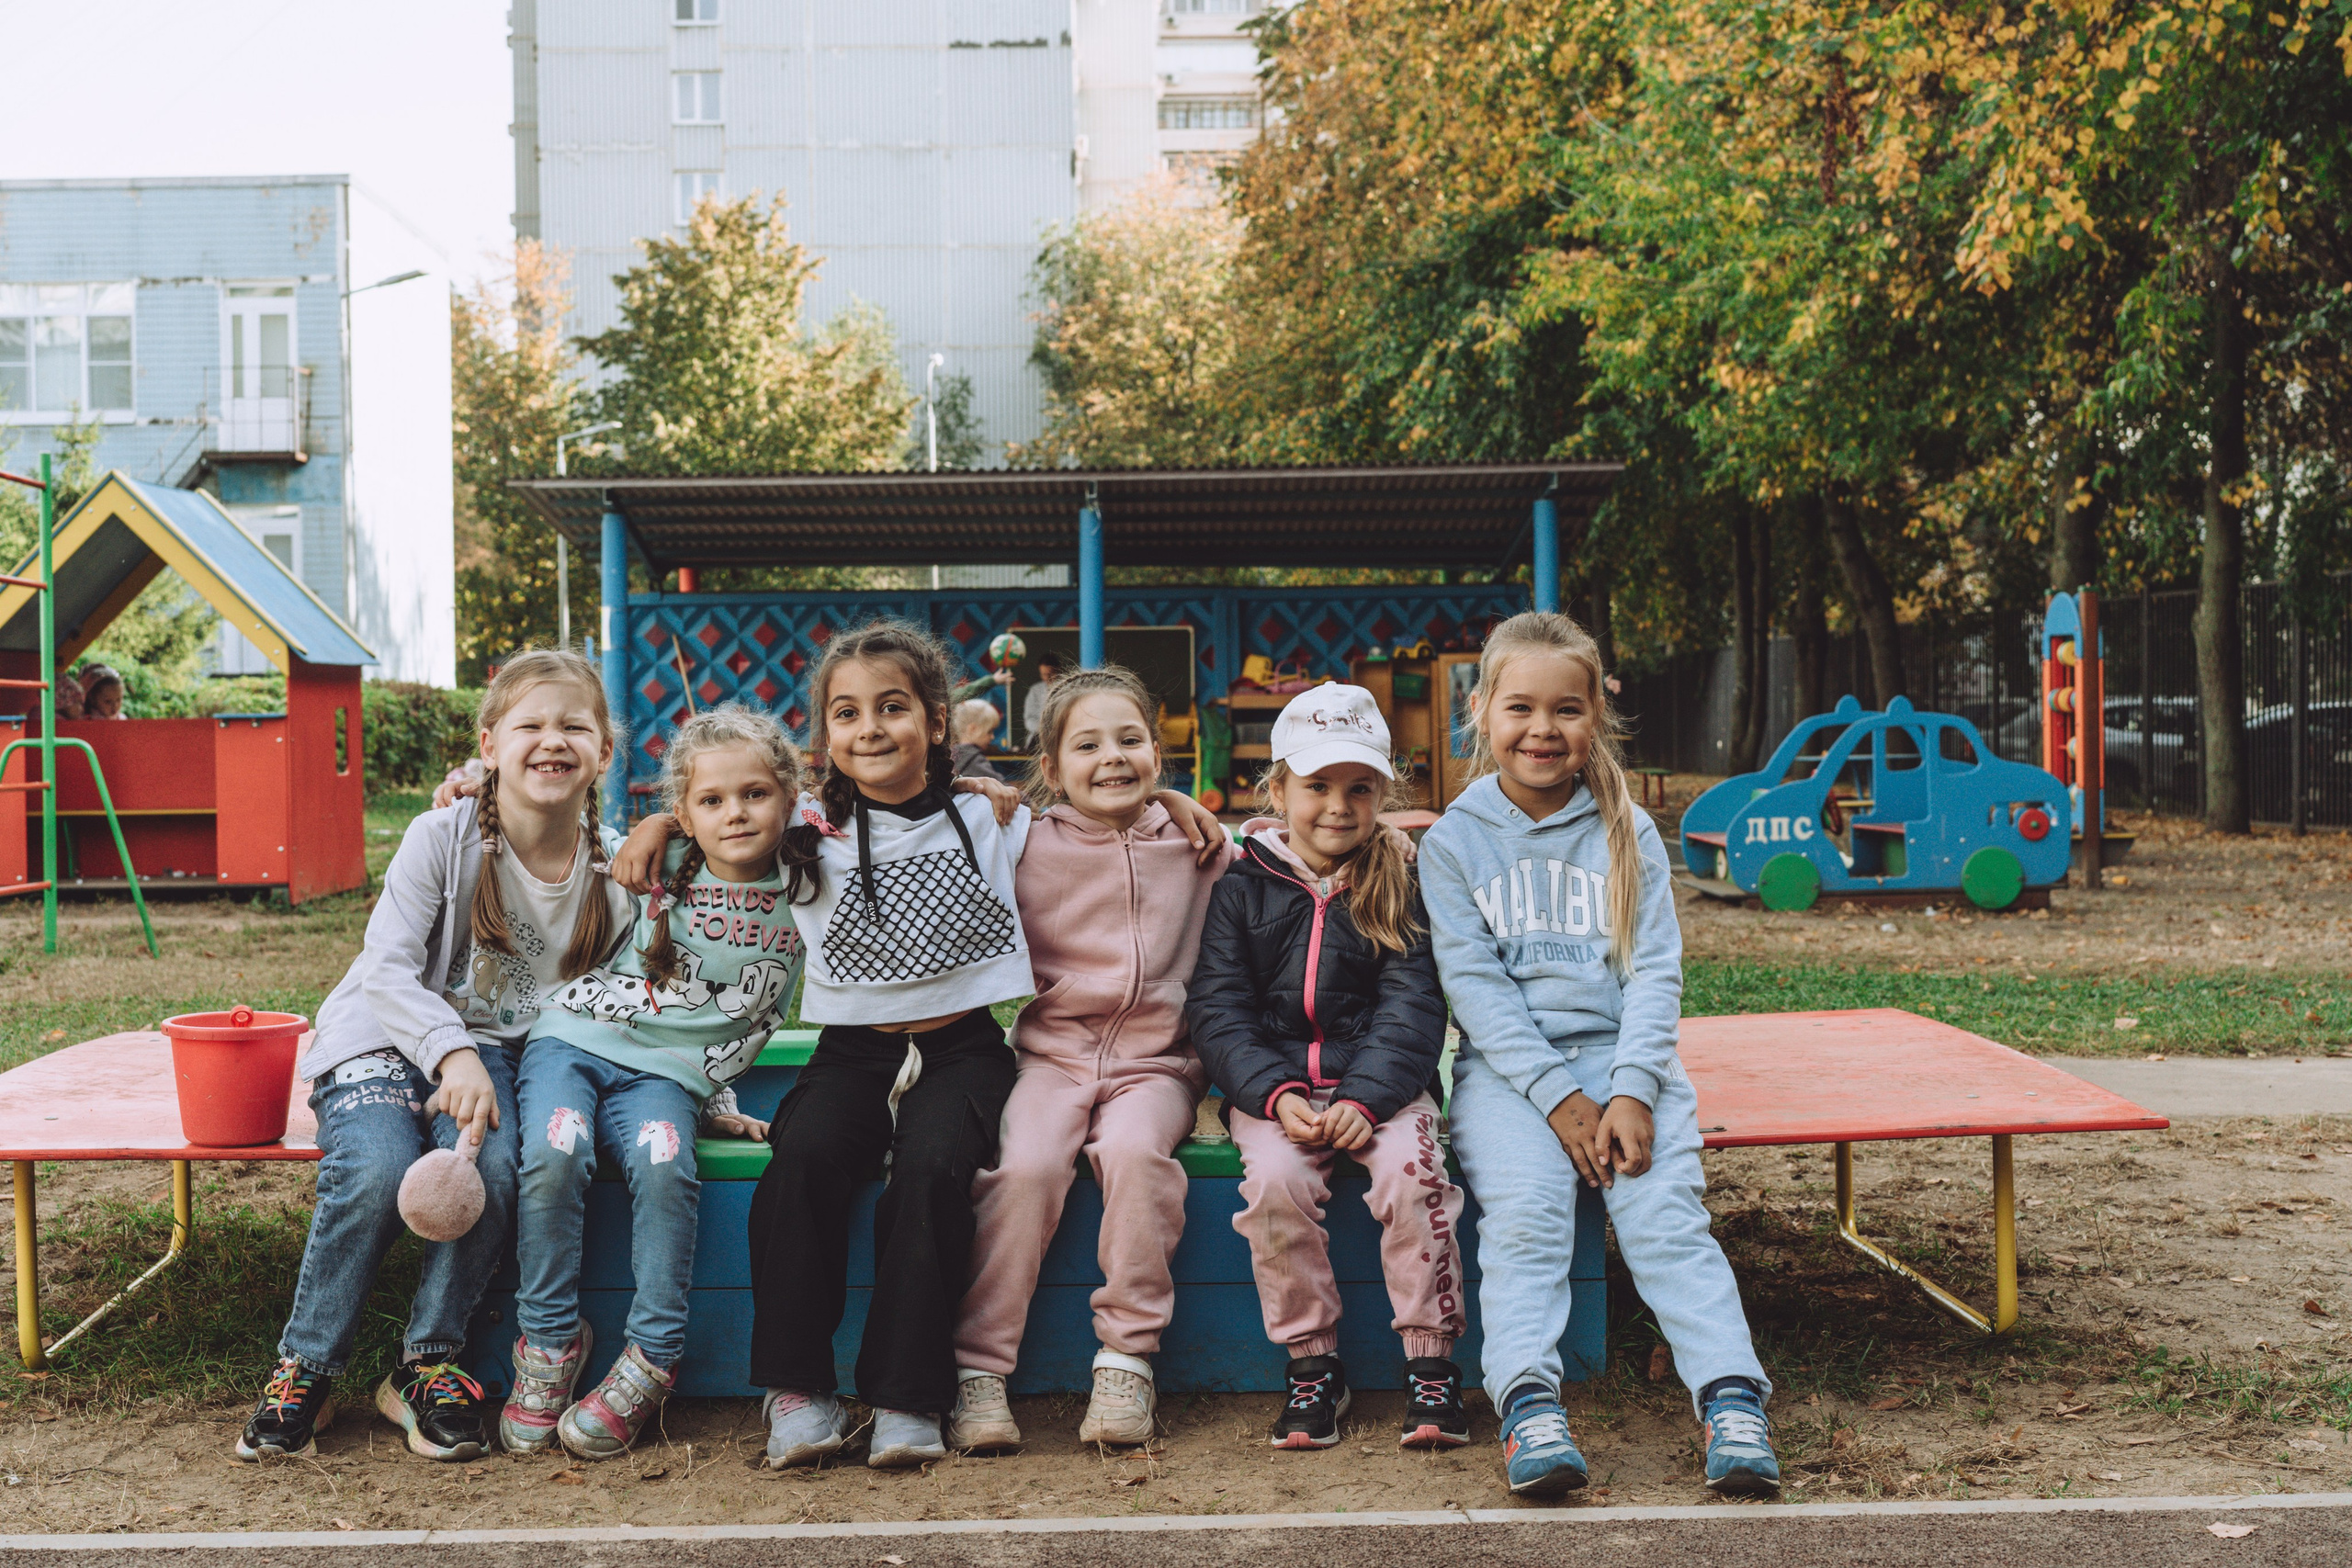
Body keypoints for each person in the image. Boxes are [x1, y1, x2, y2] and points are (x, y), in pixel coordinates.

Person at [236, 649, 634, 1463]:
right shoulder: (441, 836)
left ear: (604, 750)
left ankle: (427, 1364)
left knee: (490, 1175)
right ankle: (307, 1364)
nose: (551, 740)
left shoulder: (615, 870)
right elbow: (386, 969)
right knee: (378, 1169)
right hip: (381, 1036)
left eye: (573, 726)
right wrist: (451, 1052)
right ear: (489, 745)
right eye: (529, 724)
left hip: (493, 1058)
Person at [1417, 610, 1780, 1500]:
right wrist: (1556, 1096)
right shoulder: (1453, 842)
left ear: (1596, 717)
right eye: (1520, 707)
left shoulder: (1628, 830)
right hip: (1511, 1079)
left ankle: (1731, 1397)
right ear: (1481, 712)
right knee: (1526, 1223)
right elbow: (1476, 992)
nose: (1542, 729)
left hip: (1626, 1069)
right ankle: (1528, 1404)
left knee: (1664, 1222)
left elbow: (1654, 971)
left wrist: (1632, 1090)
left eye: (1566, 709)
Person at [500, 705, 803, 1461]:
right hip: (574, 1038)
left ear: (790, 797)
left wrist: (976, 786)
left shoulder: (810, 877)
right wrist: (658, 827)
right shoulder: (663, 858)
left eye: (755, 793)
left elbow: (885, 808)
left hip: (667, 1076)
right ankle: (549, 1338)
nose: (736, 812)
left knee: (666, 1165)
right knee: (556, 1148)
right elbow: (568, 828)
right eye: (712, 800)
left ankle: (653, 1353)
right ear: (687, 813)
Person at [948, 667, 1235, 1452]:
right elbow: (931, 816)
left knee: (1138, 1158)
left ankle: (1126, 1360)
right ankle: (979, 1369)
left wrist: (1179, 805)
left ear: (1157, 754)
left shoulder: (1201, 846)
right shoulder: (1025, 842)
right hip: (1053, 1055)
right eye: (1087, 745)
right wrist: (983, 790)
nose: (1112, 756)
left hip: (1160, 1064)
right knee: (1023, 1169)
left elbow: (1291, 849)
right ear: (1050, 767)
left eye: (1130, 739)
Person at [1184, 683, 1470, 1452]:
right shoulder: (1239, 887)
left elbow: (1413, 1006)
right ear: (1277, 789)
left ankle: (1432, 1362)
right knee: (1276, 1185)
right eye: (1317, 786)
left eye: (1360, 788)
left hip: (1383, 1091)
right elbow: (1218, 1007)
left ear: (1383, 794)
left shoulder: (1399, 882)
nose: (1338, 807)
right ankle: (1314, 1366)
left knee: (1415, 1176)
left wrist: (1366, 1098)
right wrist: (1274, 1094)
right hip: (1274, 1094)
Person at [949, 698, 1004, 781]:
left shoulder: (952, 755)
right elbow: (1001, 786)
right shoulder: (974, 761)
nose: (992, 737)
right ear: (972, 729)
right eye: (989, 731)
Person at [1023, 650, 1066, 747]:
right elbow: (1029, 719)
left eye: (1050, 674)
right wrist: (1044, 730)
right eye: (1044, 674)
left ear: (1058, 671)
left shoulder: (1067, 689)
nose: (1047, 678)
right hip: (1039, 738)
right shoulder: (1035, 690)